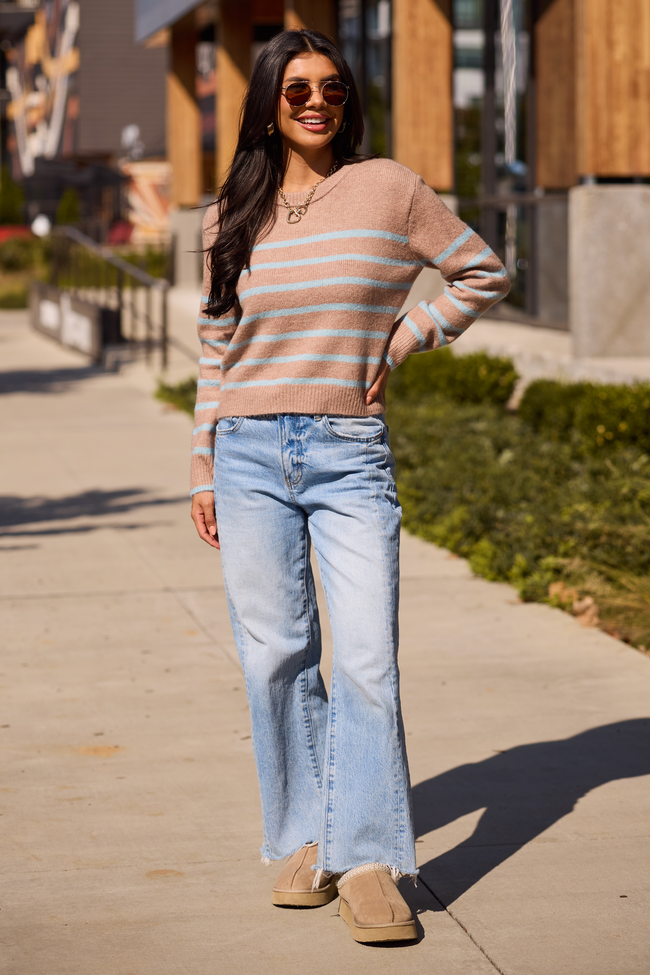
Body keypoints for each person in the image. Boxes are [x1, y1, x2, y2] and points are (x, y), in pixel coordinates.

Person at [190, 28, 508, 944]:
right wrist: (205, 463)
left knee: (365, 656)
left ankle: (370, 861)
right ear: (267, 103)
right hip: (247, 451)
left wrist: (405, 338)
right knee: (276, 655)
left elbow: (481, 270)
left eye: (330, 86)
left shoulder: (390, 188)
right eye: (295, 90)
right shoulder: (231, 211)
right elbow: (218, 344)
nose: (316, 101)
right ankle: (307, 839)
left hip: (346, 449)